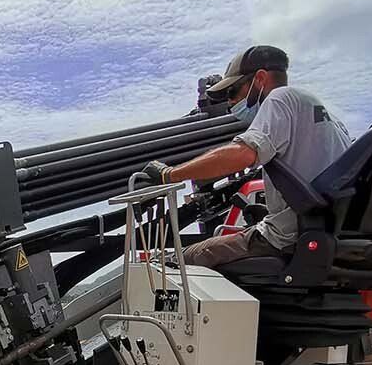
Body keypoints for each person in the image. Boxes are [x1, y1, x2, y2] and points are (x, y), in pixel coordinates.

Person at [143, 45, 352, 269]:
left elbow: (244, 153)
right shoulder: (328, 118)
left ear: (260, 79)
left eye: (233, 92)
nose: (230, 102)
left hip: (287, 238)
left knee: (178, 261)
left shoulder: (280, 98)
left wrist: (170, 174)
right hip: (328, 232)